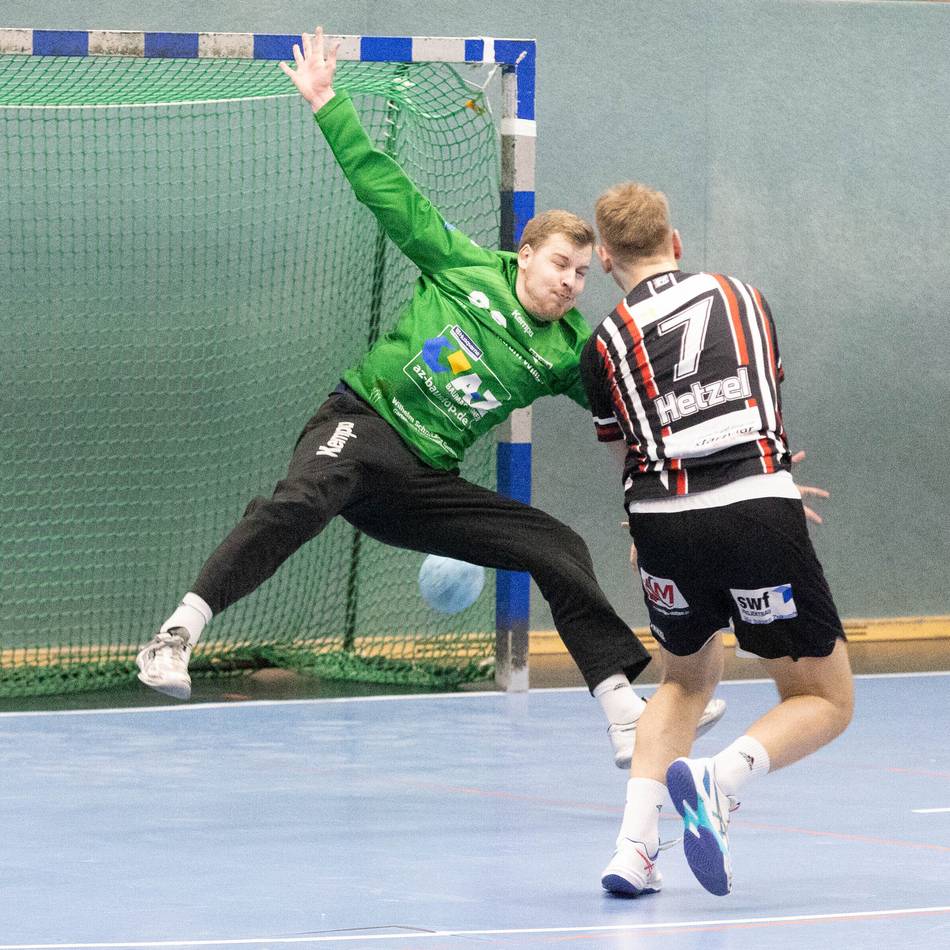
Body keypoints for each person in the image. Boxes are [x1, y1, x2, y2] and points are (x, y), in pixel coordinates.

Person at [134, 28, 725, 766]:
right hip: (364, 424)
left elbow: (635, 407)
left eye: (582, 275)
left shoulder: (571, 348)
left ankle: (621, 712)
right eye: (561, 266)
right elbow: (387, 190)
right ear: (527, 253)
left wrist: (720, 444)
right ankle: (177, 634)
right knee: (300, 501)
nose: (571, 283)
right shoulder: (464, 268)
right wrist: (326, 104)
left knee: (556, 545)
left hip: (422, 483)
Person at [581, 181, 853, 895]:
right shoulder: (742, 296)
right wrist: (772, 484)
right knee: (825, 698)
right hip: (753, 501)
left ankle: (632, 850)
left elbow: (627, 457)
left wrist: (648, 516)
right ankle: (720, 779)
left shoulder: (602, 342)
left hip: (661, 516)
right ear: (675, 243)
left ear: (604, 257)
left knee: (684, 681)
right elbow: (757, 399)